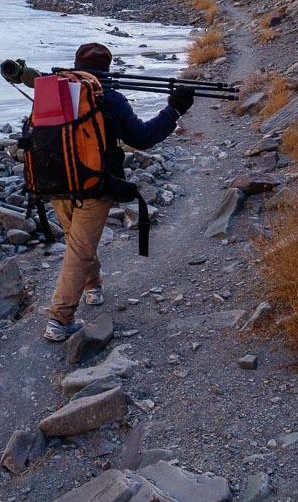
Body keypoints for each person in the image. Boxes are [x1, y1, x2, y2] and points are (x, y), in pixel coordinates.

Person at [43, 41, 193, 342]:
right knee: (80, 248)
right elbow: (142, 138)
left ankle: (93, 286)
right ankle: (59, 320)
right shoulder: (109, 97)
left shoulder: (54, 91)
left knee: (78, 243)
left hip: (55, 183)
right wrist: (174, 110)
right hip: (95, 185)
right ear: (108, 68)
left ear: (76, 63)